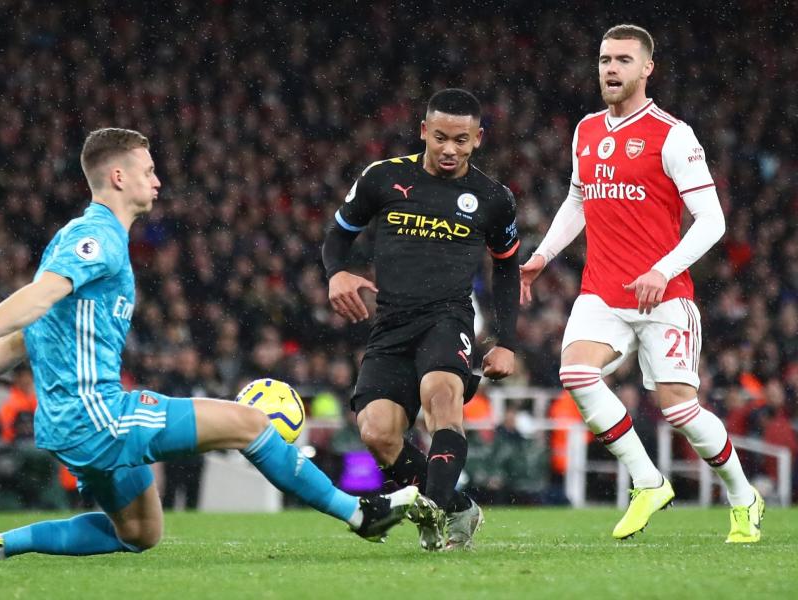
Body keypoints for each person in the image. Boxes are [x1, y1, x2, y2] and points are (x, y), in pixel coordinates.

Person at [0, 128, 419, 561]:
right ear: (119, 177)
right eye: (149, 170)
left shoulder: (76, 237)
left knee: (141, 534)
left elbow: (32, 331)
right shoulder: (96, 238)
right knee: (249, 424)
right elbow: (39, 298)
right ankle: (360, 513)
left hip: (67, 428)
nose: (158, 179)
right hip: (98, 415)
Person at [519, 24, 764, 543]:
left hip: (663, 295)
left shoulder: (673, 134)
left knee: (680, 410)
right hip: (602, 291)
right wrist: (542, 255)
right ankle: (648, 481)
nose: (611, 68)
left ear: (647, 69)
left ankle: (743, 495)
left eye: (624, 60)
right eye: (605, 59)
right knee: (576, 374)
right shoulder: (585, 130)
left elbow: (713, 220)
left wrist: (663, 268)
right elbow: (578, 200)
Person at [322, 89, 520, 550]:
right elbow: (338, 235)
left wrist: (506, 340)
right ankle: (457, 509)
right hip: (391, 322)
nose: (451, 149)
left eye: (462, 140)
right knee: (377, 433)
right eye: (442, 138)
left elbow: (507, 265)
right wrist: (336, 275)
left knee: (441, 398)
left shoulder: (493, 198)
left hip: (447, 318)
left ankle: (431, 514)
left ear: (478, 139)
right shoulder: (384, 178)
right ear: (424, 132)